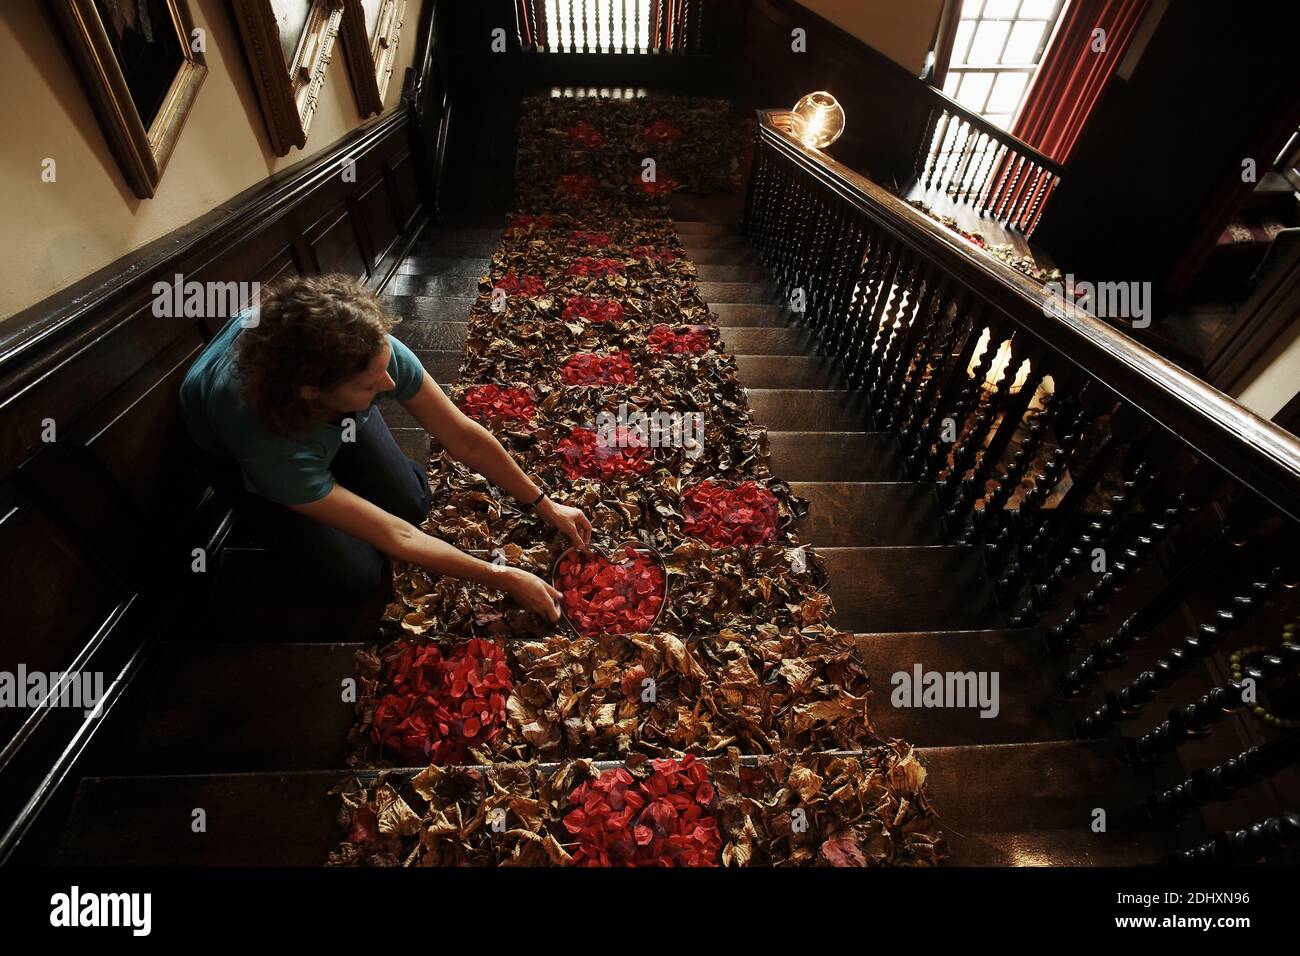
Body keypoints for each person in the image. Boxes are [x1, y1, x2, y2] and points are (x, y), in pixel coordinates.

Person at [179, 274, 590, 622]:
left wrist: (545, 504)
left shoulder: (369, 353)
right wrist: (502, 576)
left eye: (385, 368)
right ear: (314, 392)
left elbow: (463, 437)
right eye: (372, 385)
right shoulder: (269, 446)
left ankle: (334, 476)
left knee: (411, 503)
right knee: (356, 577)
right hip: (233, 454)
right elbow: (397, 537)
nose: (391, 387)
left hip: (325, 404)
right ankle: (298, 502)